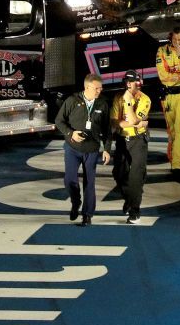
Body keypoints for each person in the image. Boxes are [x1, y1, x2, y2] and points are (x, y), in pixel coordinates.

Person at [56, 74, 111, 226]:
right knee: (70, 180)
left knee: (90, 183)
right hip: (73, 148)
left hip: (92, 149)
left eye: (101, 88)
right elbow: (59, 121)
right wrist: (70, 133)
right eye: (97, 88)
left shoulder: (103, 104)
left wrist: (106, 149)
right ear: (87, 87)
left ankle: (87, 215)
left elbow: (107, 129)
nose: (100, 91)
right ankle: (75, 201)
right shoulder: (72, 101)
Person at [111, 70, 150, 224]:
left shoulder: (145, 100)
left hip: (138, 140)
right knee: (118, 173)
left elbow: (134, 120)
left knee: (135, 176)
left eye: (131, 82)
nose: (128, 85)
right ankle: (129, 199)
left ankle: (135, 211)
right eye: (127, 82)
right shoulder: (117, 98)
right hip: (122, 139)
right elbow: (114, 122)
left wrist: (128, 103)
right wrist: (133, 122)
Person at [156, 26, 180, 172]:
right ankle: (173, 159)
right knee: (171, 132)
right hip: (167, 97)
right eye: (175, 40)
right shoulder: (162, 51)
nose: (177, 43)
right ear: (170, 38)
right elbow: (163, 76)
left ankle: (177, 165)